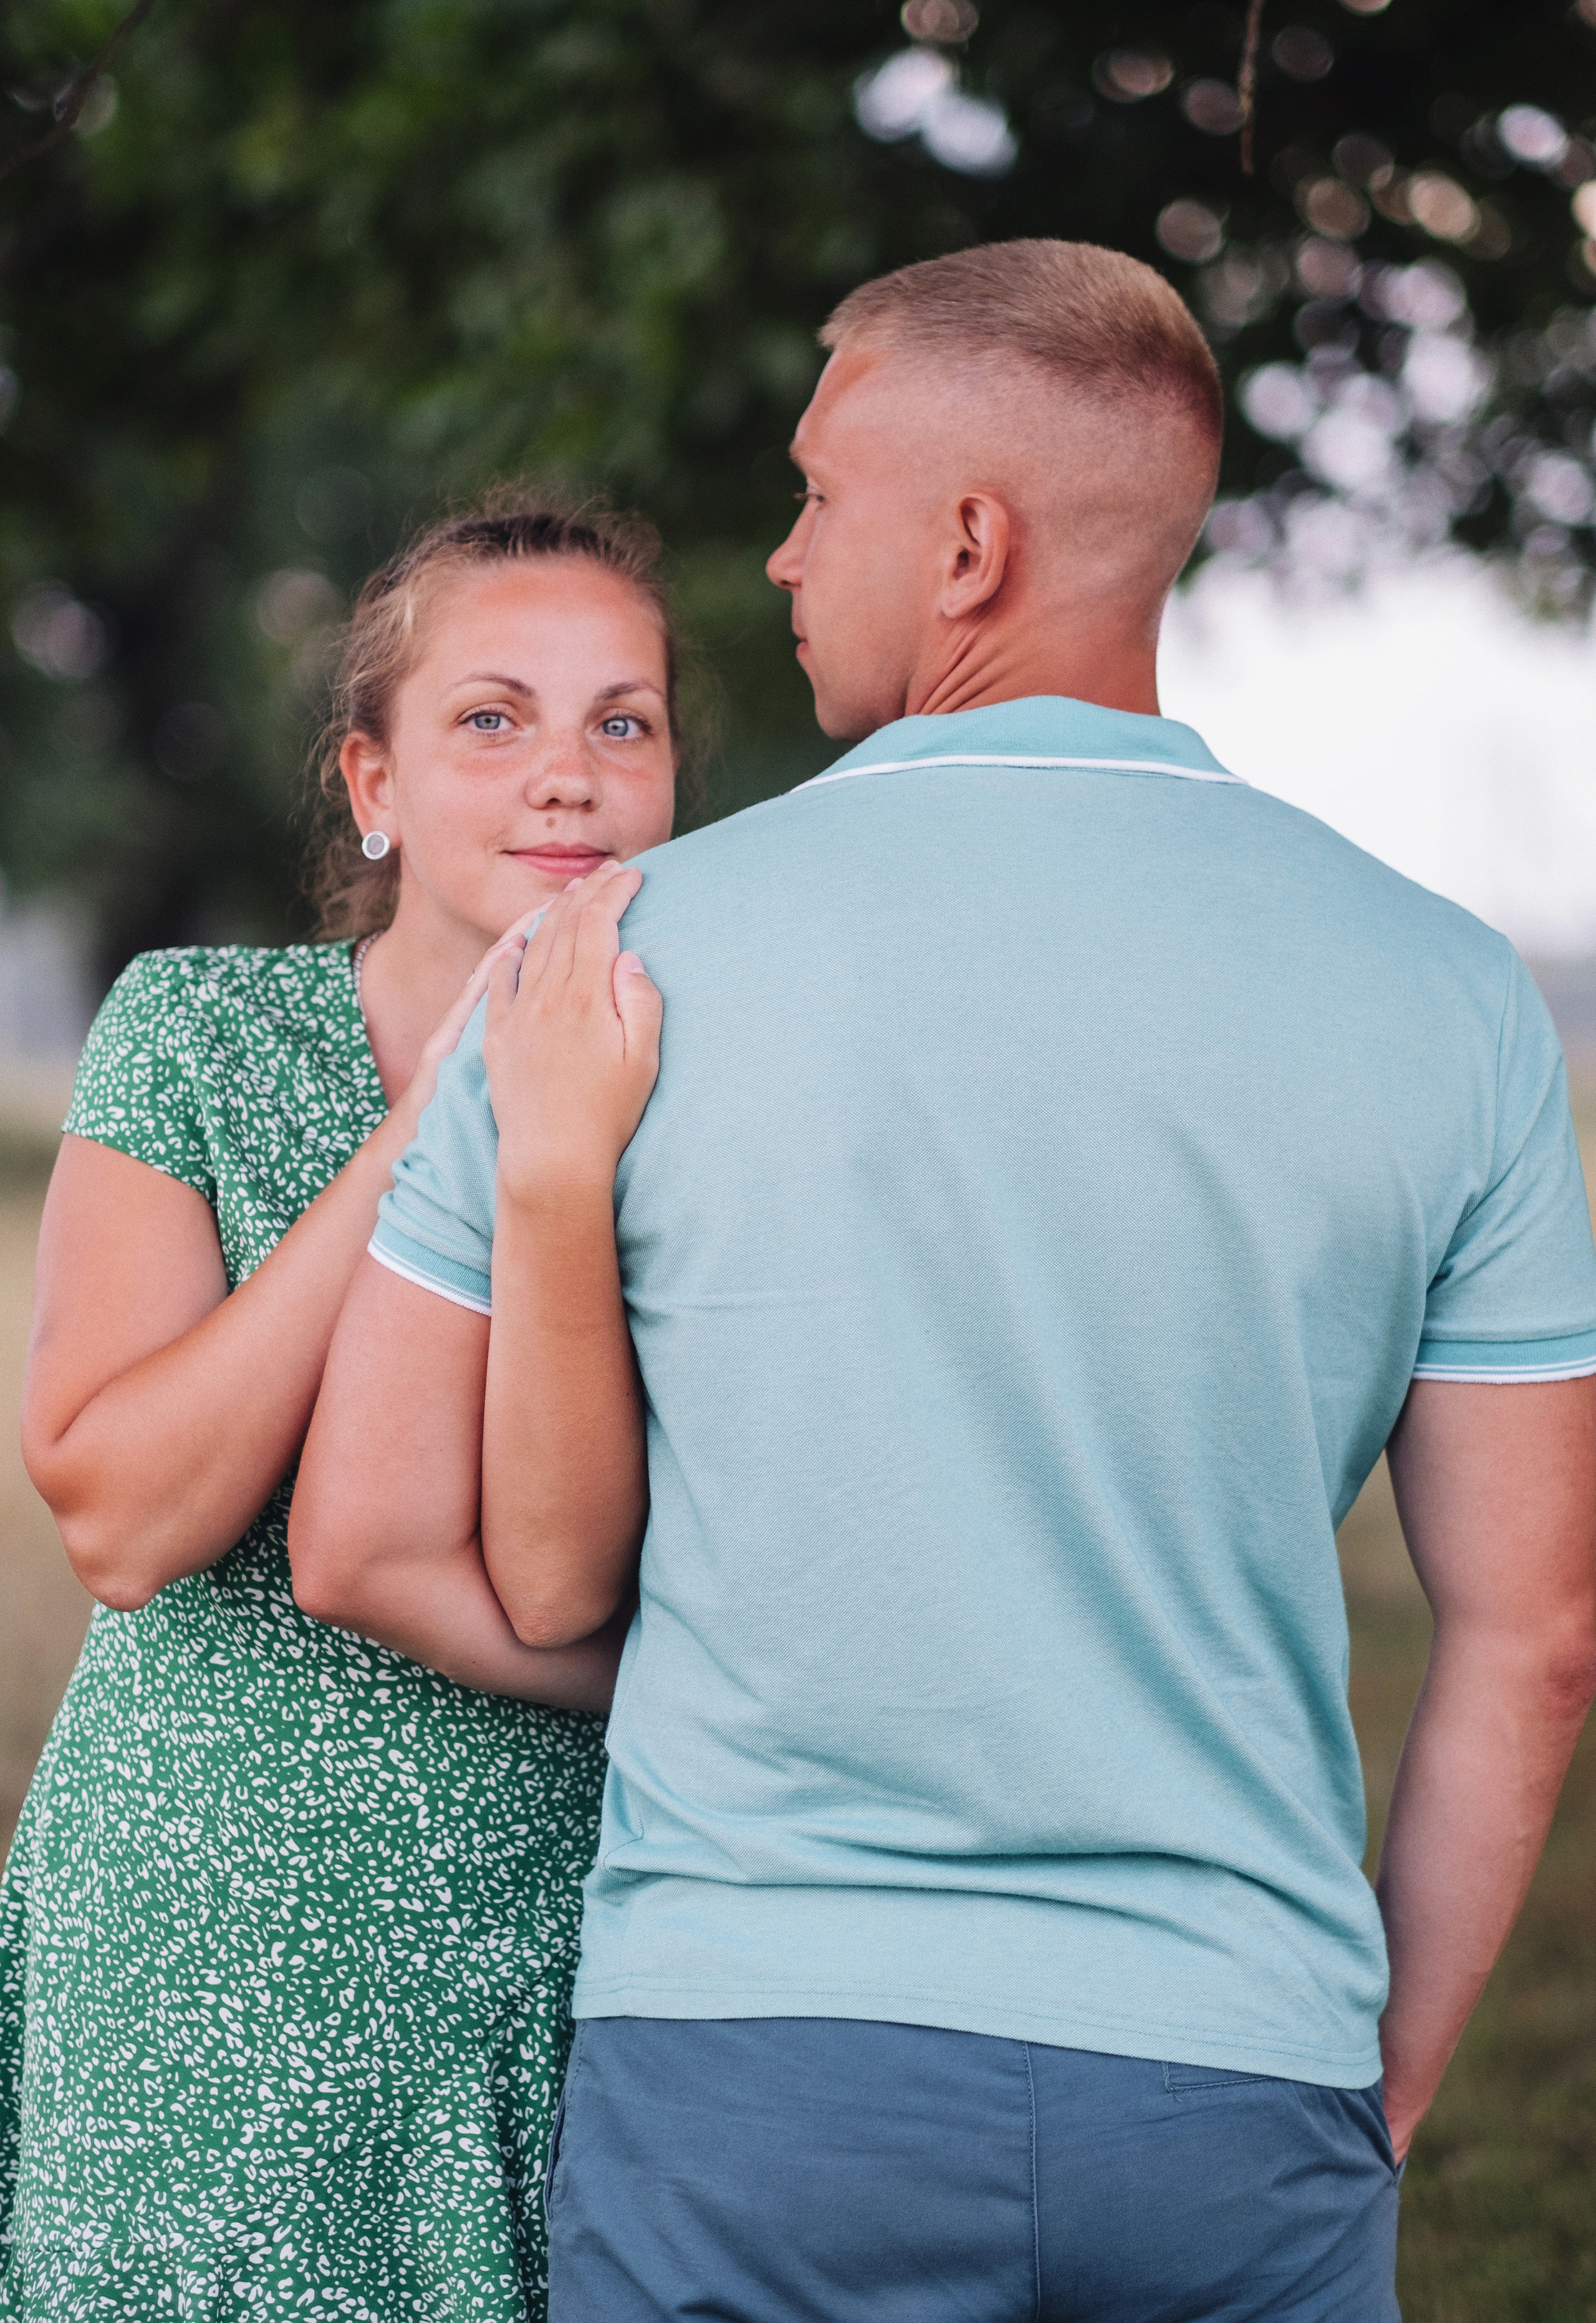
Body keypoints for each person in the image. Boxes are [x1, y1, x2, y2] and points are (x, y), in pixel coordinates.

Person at [296, 243, 1596, 2322]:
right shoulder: (1454, 994)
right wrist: (1372, 2101)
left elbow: (372, 1531)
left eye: (822, 497)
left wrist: (779, 1666)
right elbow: (1533, 1639)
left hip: (751, 2078)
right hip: (1236, 2088)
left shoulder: (607, 959)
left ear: (970, 544)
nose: (789, 556)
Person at [0, 499, 686, 2320]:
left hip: (575, 1942)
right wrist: (430, 1128)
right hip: (199, 1953)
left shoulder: (709, 1086)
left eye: (624, 721)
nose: (568, 776)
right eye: (493, 718)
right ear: (371, 785)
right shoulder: (200, 1037)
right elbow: (123, 1521)